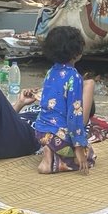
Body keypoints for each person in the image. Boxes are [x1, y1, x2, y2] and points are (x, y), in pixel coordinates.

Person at [0, 73, 95, 176]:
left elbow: (88, 86)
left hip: (27, 139)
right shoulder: (43, 107)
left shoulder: (73, 117)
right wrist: (20, 103)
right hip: (0, 132)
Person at [34, 26, 95, 174]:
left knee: (61, 140)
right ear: (77, 52)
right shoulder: (74, 77)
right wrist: (79, 147)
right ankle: (53, 160)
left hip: (40, 132)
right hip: (58, 136)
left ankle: (48, 149)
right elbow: (74, 115)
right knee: (90, 156)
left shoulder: (50, 72)